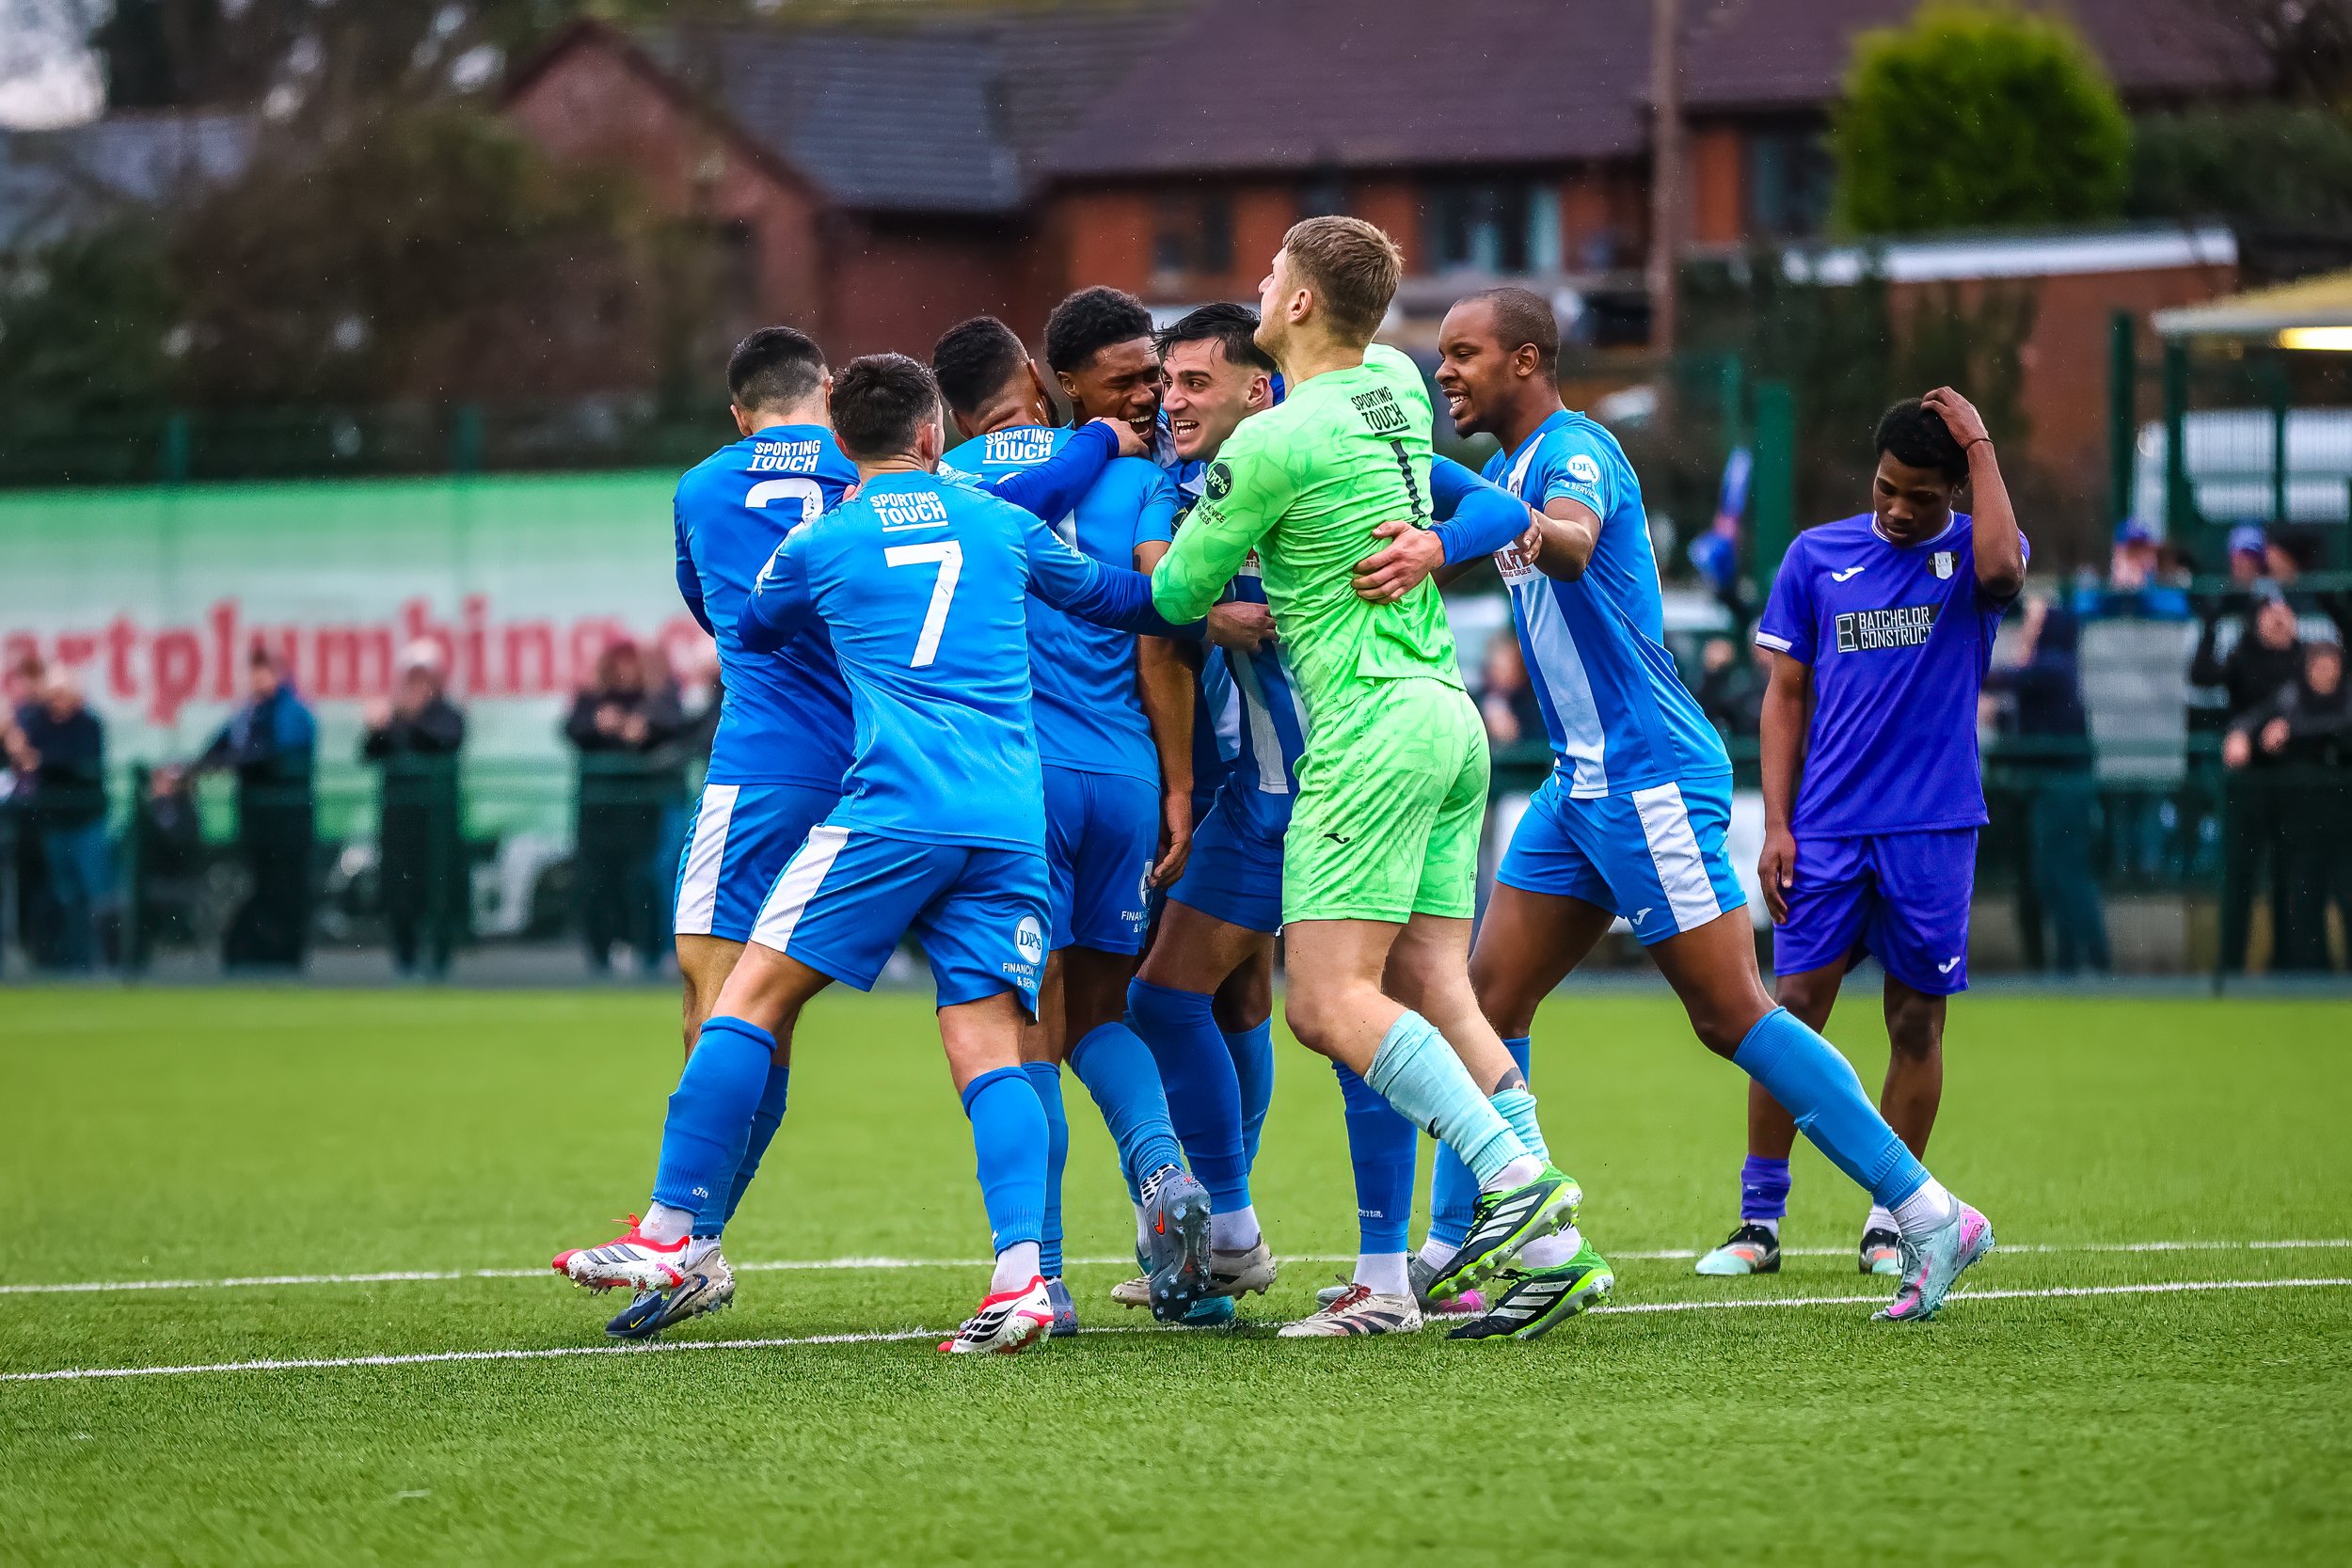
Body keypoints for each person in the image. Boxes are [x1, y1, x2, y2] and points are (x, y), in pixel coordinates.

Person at [552, 353, 1192, 1356]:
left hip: (893, 807)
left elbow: (756, 626)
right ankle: (1023, 1277)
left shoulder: (824, 536)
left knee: (750, 999)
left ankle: (673, 1230)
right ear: (934, 435)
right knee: (989, 1042)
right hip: (1007, 820)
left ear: (842, 444)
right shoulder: (998, 522)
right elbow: (1125, 600)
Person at [1149, 219, 1582, 1338]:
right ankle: (1552, 1242)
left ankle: (1512, 1181)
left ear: (1295, 304)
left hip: (1368, 734)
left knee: (1326, 1001)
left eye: (1269, 272)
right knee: (1436, 984)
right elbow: (1456, 490)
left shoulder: (1273, 441)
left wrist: (1177, 515)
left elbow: (1177, 594)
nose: (1256, 282)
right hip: (1448, 720)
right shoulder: (1392, 377)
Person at [1663, 388, 2023, 1292]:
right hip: (1823, 828)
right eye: (1887, 488)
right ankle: (1759, 1220)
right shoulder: (1816, 555)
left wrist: (1980, 445)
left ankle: (1891, 1219)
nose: (1900, 508)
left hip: (1934, 828)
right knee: (1787, 1014)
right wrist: (1778, 823)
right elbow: (1786, 696)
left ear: (1955, 491)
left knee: (1915, 1021)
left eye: (1923, 496)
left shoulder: (1973, 554)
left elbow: (2007, 579)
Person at [935, 309, 1215, 1331]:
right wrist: (1179, 786)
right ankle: (1163, 1176)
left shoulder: (953, 480)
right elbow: (1159, 616)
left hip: (1022, 780)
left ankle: (1043, 1271)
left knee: (1024, 1031)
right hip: (1127, 775)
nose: (1146, 396)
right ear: (1039, 378)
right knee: (1104, 1011)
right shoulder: (1137, 472)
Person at [1985, 598, 2109, 974]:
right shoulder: (2050, 671)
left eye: (2036, 623)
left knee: (2066, 876)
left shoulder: (2055, 667)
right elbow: (2027, 723)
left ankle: (2096, 962)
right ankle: (2071, 964)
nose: (2029, 628)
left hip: (2065, 789)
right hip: (2049, 789)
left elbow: (2004, 678)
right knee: (2051, 878)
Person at [177, 646, 317, 972]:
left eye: (264, 671)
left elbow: (269, 758)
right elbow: (219, 749)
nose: (257, 680)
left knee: (287, 888)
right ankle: (261, 954)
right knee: (261, 884)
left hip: (287, 819)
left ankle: (286, 958)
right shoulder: (247, 715)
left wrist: (229, 763)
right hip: (256, 819)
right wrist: (188, 772)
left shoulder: (293, 713)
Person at [2225, 640, 2352, 971]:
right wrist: (2244, 736)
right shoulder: (2290, 698)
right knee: (2305, 903)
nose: (2325, 673)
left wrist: (2291, 733)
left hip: (2345, 825)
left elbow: (2339, 731)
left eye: (2331, 666)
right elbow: (2250, 723)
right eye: (2318, 666)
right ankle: (2310, 977)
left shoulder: (2345, 702)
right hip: (2302, 825)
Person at [564, 640, 684, 977]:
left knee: (640, 882)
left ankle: (646, 950)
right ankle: (602, 952)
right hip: (598, 814)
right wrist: (605, 724)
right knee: (598, 885)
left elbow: (671, 726)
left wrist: (635, 728)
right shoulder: (591, 702)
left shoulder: (653, 703)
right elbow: (573, 729)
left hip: (638, 813)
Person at [360, 642, 467, 978]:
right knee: (400, 890)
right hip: (399, 820)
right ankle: (405, 957)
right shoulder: (394, 718)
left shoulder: (447, 715)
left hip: (437, 822)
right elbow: (370, 753)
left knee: (438, 891)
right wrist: (379, 726)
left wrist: (404, 719)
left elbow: (445, 739)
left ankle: (439, 958)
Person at [8, 670, 110, 970]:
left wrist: (39, 759)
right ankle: (72, 961)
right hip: (56, 824)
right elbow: (22, 750)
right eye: (53, 697)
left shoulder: (88, 724)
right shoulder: (39, 722)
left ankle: (106, 962)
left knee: (98, 896)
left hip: (87, 821)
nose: (58, 703)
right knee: (66, 897)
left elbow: (76, 760)